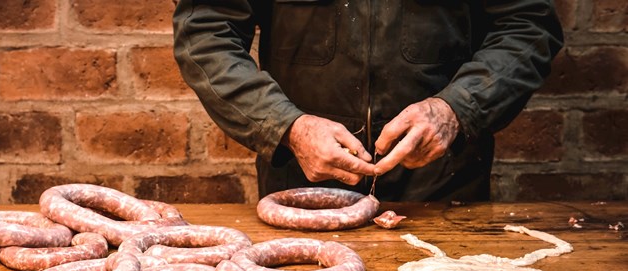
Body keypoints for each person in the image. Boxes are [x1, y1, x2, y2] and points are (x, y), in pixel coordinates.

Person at [172, 1, 563, 201]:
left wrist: (457, 108)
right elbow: (206, 32)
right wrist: (286, 126)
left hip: (445, 190)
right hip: (303, 191)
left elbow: (527, 26)